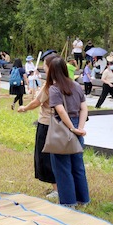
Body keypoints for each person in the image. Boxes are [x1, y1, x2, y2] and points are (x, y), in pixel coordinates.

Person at [46, 56, 90, 207]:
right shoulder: (77, 86)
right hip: (77, 125)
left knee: (62, 166)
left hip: (63, 127)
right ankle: (83, 199)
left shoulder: (54, 88)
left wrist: (71, 128)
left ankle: (68, 202)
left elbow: (61, 111)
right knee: (78, 165)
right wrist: (80, 128)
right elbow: (84, 108)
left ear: (51, 71)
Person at [18, 53, 58, 199]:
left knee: (46, 157)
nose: (43, 68)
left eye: (45, 65)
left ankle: (56, 188)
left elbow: (36, 102)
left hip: (47, 124)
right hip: (61, 125)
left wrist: (24, 108)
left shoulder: (49, 86)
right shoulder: (66, 82)